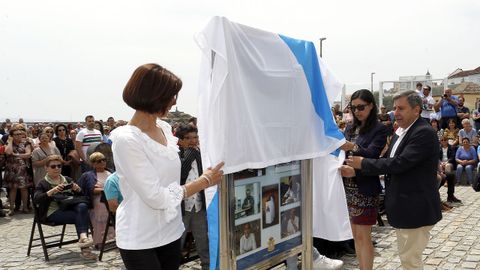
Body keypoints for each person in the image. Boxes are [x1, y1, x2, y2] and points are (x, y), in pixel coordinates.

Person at [109, 63, 224, 270]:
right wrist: (204, 181)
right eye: (171, 95)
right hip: (141, 237)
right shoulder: (127, 139)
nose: (174, 101)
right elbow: (156, 197)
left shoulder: (164, 128)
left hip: (171, 230)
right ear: (154, 95)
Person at [345, 90, 442, 270]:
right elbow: (390, 162)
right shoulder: (402, 131)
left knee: (410, 260)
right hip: (403, 207)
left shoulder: (423, 132)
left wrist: (364, 164)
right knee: (408, 258)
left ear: (417, 110)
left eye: (401, 108)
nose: (396, 112)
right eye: (394, 108)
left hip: (415, 208)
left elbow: (400, 163)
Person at [339, 89, 387, 270]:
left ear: (371, 106)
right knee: (354, 236)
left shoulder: (379, 129)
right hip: (346, 187)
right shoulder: (350, 127)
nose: (357, 111)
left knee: (363, 236)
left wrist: (353, 146)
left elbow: (373, 156)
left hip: (364, 188)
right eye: (353, 107)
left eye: (361, 107)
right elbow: (342, 153)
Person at [33, 155, 97, 260]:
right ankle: (85, 246)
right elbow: (36, 199)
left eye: (59, 166)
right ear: (46, 168)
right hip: (52, 212)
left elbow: (80, 196)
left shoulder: (67, 179)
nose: (57, 168)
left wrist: (78, 189)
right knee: (81, 216)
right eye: (53, 166)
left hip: (69, 207)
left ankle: (83, 239)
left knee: (82, 206)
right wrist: (52, 191)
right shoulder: (43, 183)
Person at [176, 124, 210, 270]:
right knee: (176, 244)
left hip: (199, 206)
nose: (192, 141)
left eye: (195, 137)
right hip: (182, 208)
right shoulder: (176, 155)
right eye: (188, 138)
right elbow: (181, 174)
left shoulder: (202, 154)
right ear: (180, 140)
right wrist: (190, 155)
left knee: (203, 243)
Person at [77, 152, 114, 247]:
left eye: (103, 160)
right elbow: (91, 190)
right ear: (93, 163)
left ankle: (115, 237)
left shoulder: (111, 172)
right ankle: (100, 240)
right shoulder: (89, 175)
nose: (102, 162)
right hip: (97, 199)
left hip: (112, 197)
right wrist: (105, 190)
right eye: (99, 161)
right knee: (101, 206)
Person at [3, 125, 33, 215]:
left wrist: (15, 155)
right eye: (16, 134)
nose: (18, 135)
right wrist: (10, 141)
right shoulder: (9, 143)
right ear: (11, 135)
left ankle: (25, 208)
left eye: (20, 134)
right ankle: (11, 209)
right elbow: (8, 152)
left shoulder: (26, 143)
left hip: (22, 170)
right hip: (11, 170)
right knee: (13, 189)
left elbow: (28, 154)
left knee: (24, 189)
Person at [439, 136, 461, 203]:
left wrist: (446, 162)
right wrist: (441, 163)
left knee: (448, 167)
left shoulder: (451, 147)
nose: (443, 141)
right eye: (442, 140)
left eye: (444, 140)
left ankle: (447, 182)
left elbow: (452, 157)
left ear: (447, 141)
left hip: (449, 163)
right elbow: (436, 157)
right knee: (440, 166)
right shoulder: (438, 148)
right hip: (440, 164)